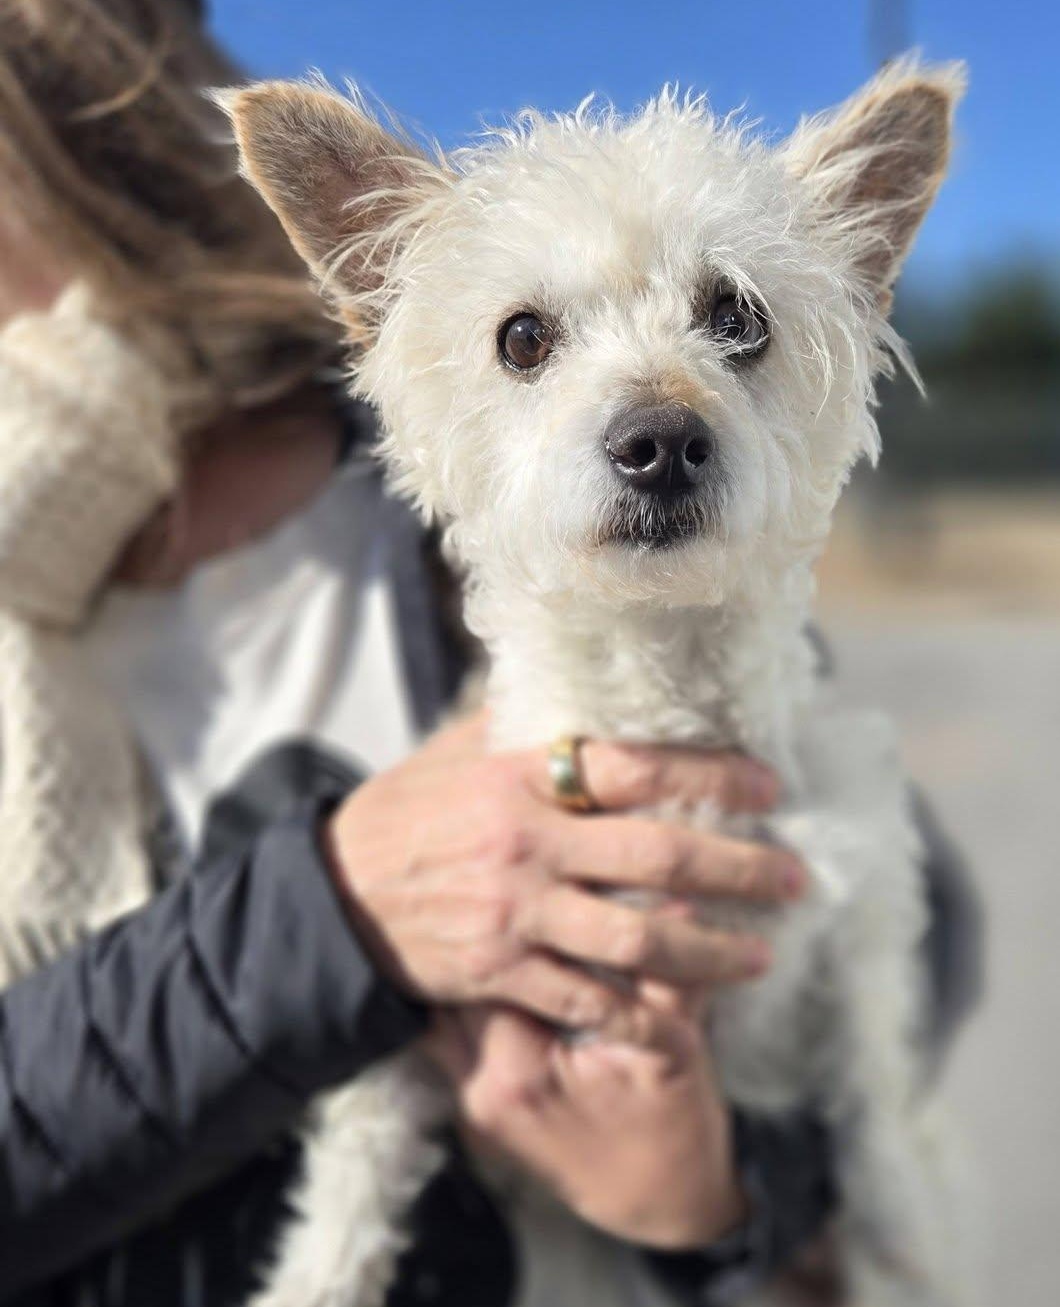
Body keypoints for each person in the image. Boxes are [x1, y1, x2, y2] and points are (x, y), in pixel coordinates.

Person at [0, 2, 982, 1305]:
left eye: (734, 324)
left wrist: (723, 1193)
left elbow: (916, 954)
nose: (659, 419)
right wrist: (335, 911)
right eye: (531, 340)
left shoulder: (417, 529)